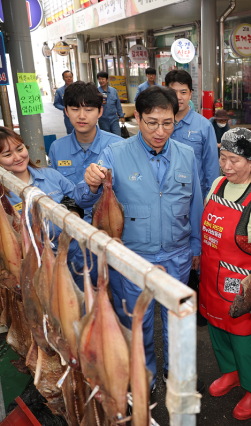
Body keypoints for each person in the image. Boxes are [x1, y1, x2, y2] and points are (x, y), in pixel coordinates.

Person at [78, 85, 204, 392]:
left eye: (168, 123)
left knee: (177, 322)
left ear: (177, 119)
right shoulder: (115, 154)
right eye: (152, 123)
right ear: (138, 118)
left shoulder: (186, 155)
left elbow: (196, 203)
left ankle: (175, 376)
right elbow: (83, 201)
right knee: (137, 323)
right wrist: (91, 183)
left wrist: (196, 247)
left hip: (177, 255)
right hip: (132, 258)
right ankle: (142, 377)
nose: (160, 131)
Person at [200, 128, 251, 420]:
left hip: (242, 287)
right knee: (218, 332)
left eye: (234, 160)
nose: (227, 166)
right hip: (211, 279)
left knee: (246, 342)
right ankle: (231, 372)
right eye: (223, 158)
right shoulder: (217, 184)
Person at [48, 81, 124, 308]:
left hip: (110, 237)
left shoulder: (118, 146)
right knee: (78, 304)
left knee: (116, 305)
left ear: (100, 111)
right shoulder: (57, 149)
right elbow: (60, 193)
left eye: (89, 109)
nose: (82, 116)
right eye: (75, 108)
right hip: (73, 241)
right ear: (66, 111)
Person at [0, 127, 83, 284]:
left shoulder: (52, 176)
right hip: (38, 269)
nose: (17, 157)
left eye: (20, 149)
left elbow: (78, 201)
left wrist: (74, 215)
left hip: (76, 261)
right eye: (7, 155)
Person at [166, 69, 219, 198]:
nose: (178, 97)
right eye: (173, 92)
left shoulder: (204, 126)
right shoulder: (159, 124)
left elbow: (211, 167)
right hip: (165, 194)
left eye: (183, 92)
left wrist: (210, 198)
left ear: (190, 94)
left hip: (194, 196)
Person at [97, 71, 125, 136]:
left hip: (114, 118)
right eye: (99, 79)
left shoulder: (113, 91)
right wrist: (100, 103)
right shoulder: (96, 92)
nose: (101, 81)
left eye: (102, 79)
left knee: (117, 137)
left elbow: (118, 104)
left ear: (107, 80)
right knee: (106, 138)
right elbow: (93, 106)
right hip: (103, 119)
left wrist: (121, 116)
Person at [53, 70, 74, 134]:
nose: (69, 78)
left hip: (81, 115)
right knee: (71, 134)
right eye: (67, 77)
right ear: (63, 78)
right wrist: (65, 108)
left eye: (70, 77)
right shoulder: (60, 91)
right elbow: (56, 103)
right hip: (68, 117)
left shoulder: (79, 88)